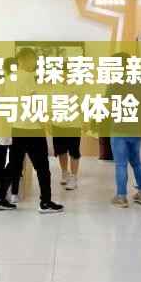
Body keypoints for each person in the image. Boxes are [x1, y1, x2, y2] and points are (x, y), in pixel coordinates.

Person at [0, 48, 64, 213]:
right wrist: (45, 122)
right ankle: (45, 202)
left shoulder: (10, 79)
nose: (35, 63)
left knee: (14, 166)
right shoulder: (27, 77)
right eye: (33, 60)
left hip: (17, 127)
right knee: (42, 167)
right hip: (32, 128)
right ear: (23, 60)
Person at [107, 52, 141, 208]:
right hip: (136, 128)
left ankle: (121, 197)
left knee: (121, 164)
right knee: (136, 162)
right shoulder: (139, 82)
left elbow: (109, 107)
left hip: (119, 129)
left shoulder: (114, 83)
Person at [0, 57, 18, 210]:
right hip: (15, 128)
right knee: (15, 162)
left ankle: (1, 195)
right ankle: (3, 195)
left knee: (0, 163)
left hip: (0, 128)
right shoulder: (17, 84)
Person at [51, 62, 82, 191]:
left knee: (74, 152)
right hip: (58, 124)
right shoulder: (54, 87)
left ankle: (74, 178)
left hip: (73, 125)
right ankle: (65, 173)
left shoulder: (78, 86)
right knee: (61, 151)